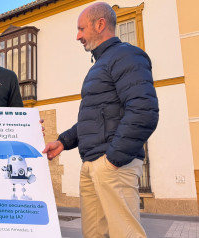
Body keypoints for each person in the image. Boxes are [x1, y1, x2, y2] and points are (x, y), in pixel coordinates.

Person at [43, 2, 159, 237]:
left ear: (100, 24)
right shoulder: (101, 64)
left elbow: (144, 110)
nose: (78, 36)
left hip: (113, 167)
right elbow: (93, 119)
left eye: (81, 29)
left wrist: (113, 160)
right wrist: (63, 142)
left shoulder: (126, 56)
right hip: (93, 165)